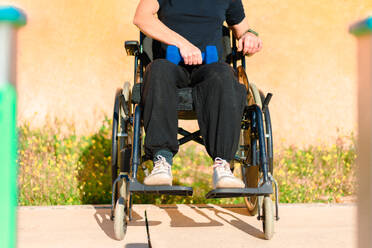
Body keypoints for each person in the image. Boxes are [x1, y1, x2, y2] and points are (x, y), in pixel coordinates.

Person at [133, 0, 263, 189]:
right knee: (157, 69)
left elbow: (243, 31)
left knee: (224, 73)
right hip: (171, 65)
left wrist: (250, 37)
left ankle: (223, 165)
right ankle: (162, 160)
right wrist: (182, 44)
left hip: (210, 68)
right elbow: (141, 18)